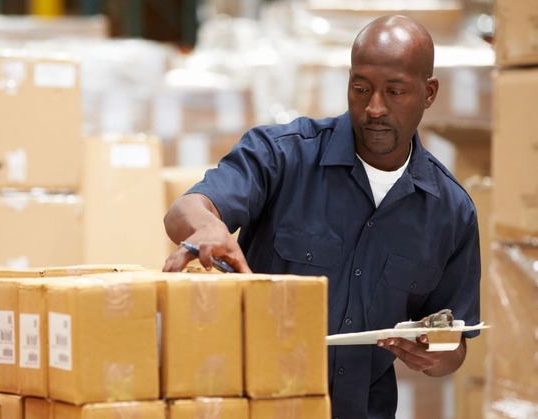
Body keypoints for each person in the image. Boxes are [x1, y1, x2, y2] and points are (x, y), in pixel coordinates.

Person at [162, 14, 481, 419]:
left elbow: (455, 346)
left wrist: (437, 354)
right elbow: (185, 209)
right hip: (259, 407)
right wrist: (207, 228)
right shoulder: (282, 156)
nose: (374, 108)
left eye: (395, 91)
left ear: (429, 92)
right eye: (360, 88)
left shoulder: (450, 213)